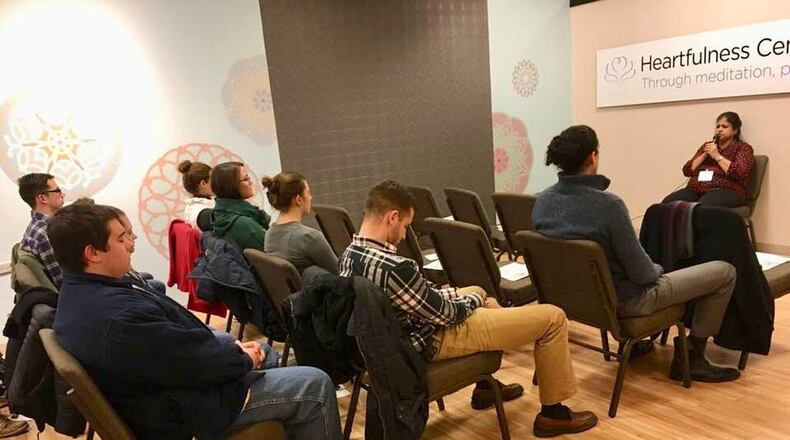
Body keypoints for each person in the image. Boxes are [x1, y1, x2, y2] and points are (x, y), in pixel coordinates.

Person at [49, 203, 340, 440]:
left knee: (263, 354)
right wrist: (242, 359)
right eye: (121, 238)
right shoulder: (117, 316)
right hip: (179, 411)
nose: (131, 245)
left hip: (162, 394)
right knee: (313, 383)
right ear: (93, 253)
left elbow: (179, 353)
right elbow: (192, 363)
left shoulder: (77, 295)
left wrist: (236, 353)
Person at [339, 180, 597, 438]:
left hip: (399, 337)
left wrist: (471, 295)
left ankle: (485, 385)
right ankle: (553, 414)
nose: (406, 234)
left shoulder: (349, 256)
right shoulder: (394, 267)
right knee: (553, 317)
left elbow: (422, 298)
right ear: (392, 217)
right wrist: (472, 300)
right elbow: (447, 314)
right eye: (406, 226)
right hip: (432, 339)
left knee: (476, 290)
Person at [533, 124, 740, 383]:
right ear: (592, 157)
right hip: (628, 301)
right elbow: (642, 275)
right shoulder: (609, 206)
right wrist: (660, 269)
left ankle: (642, 345)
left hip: (576, 302)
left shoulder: (542, 201)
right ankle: (693, 356)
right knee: (724, 271)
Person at [663, 111, 755, 207]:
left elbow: (740, 173)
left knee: (701, 207)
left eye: (724, 126)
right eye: (718, 126)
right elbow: (687, 170)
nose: (719, 130)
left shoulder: (743, 148)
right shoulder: (707, 146)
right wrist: (705, 154)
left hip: (726, 190)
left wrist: (717, 156)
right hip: (696, 189)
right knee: (666, 204)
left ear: (735, 130)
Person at [262, 172, 338, 275]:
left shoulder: (269, 233)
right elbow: (340, 274)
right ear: (298, 200)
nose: (311, 197)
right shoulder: (309, 237)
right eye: (308, 193)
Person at [17, 173, 66, 288]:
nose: (62, 195)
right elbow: (63, 282)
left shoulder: (35, 228)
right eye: (57, 191)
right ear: (42, 198)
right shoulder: (45, 233)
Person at [211, 162, 271, 251]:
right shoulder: (244, 225)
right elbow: (273, 254)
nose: (251, 182)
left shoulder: (219, 213)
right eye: (246, 179)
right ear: (231, 185)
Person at [178, 160, 215, 231]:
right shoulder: (204, 214)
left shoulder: (192, 207)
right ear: (203, 184)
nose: (216, 182)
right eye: (213, 179)